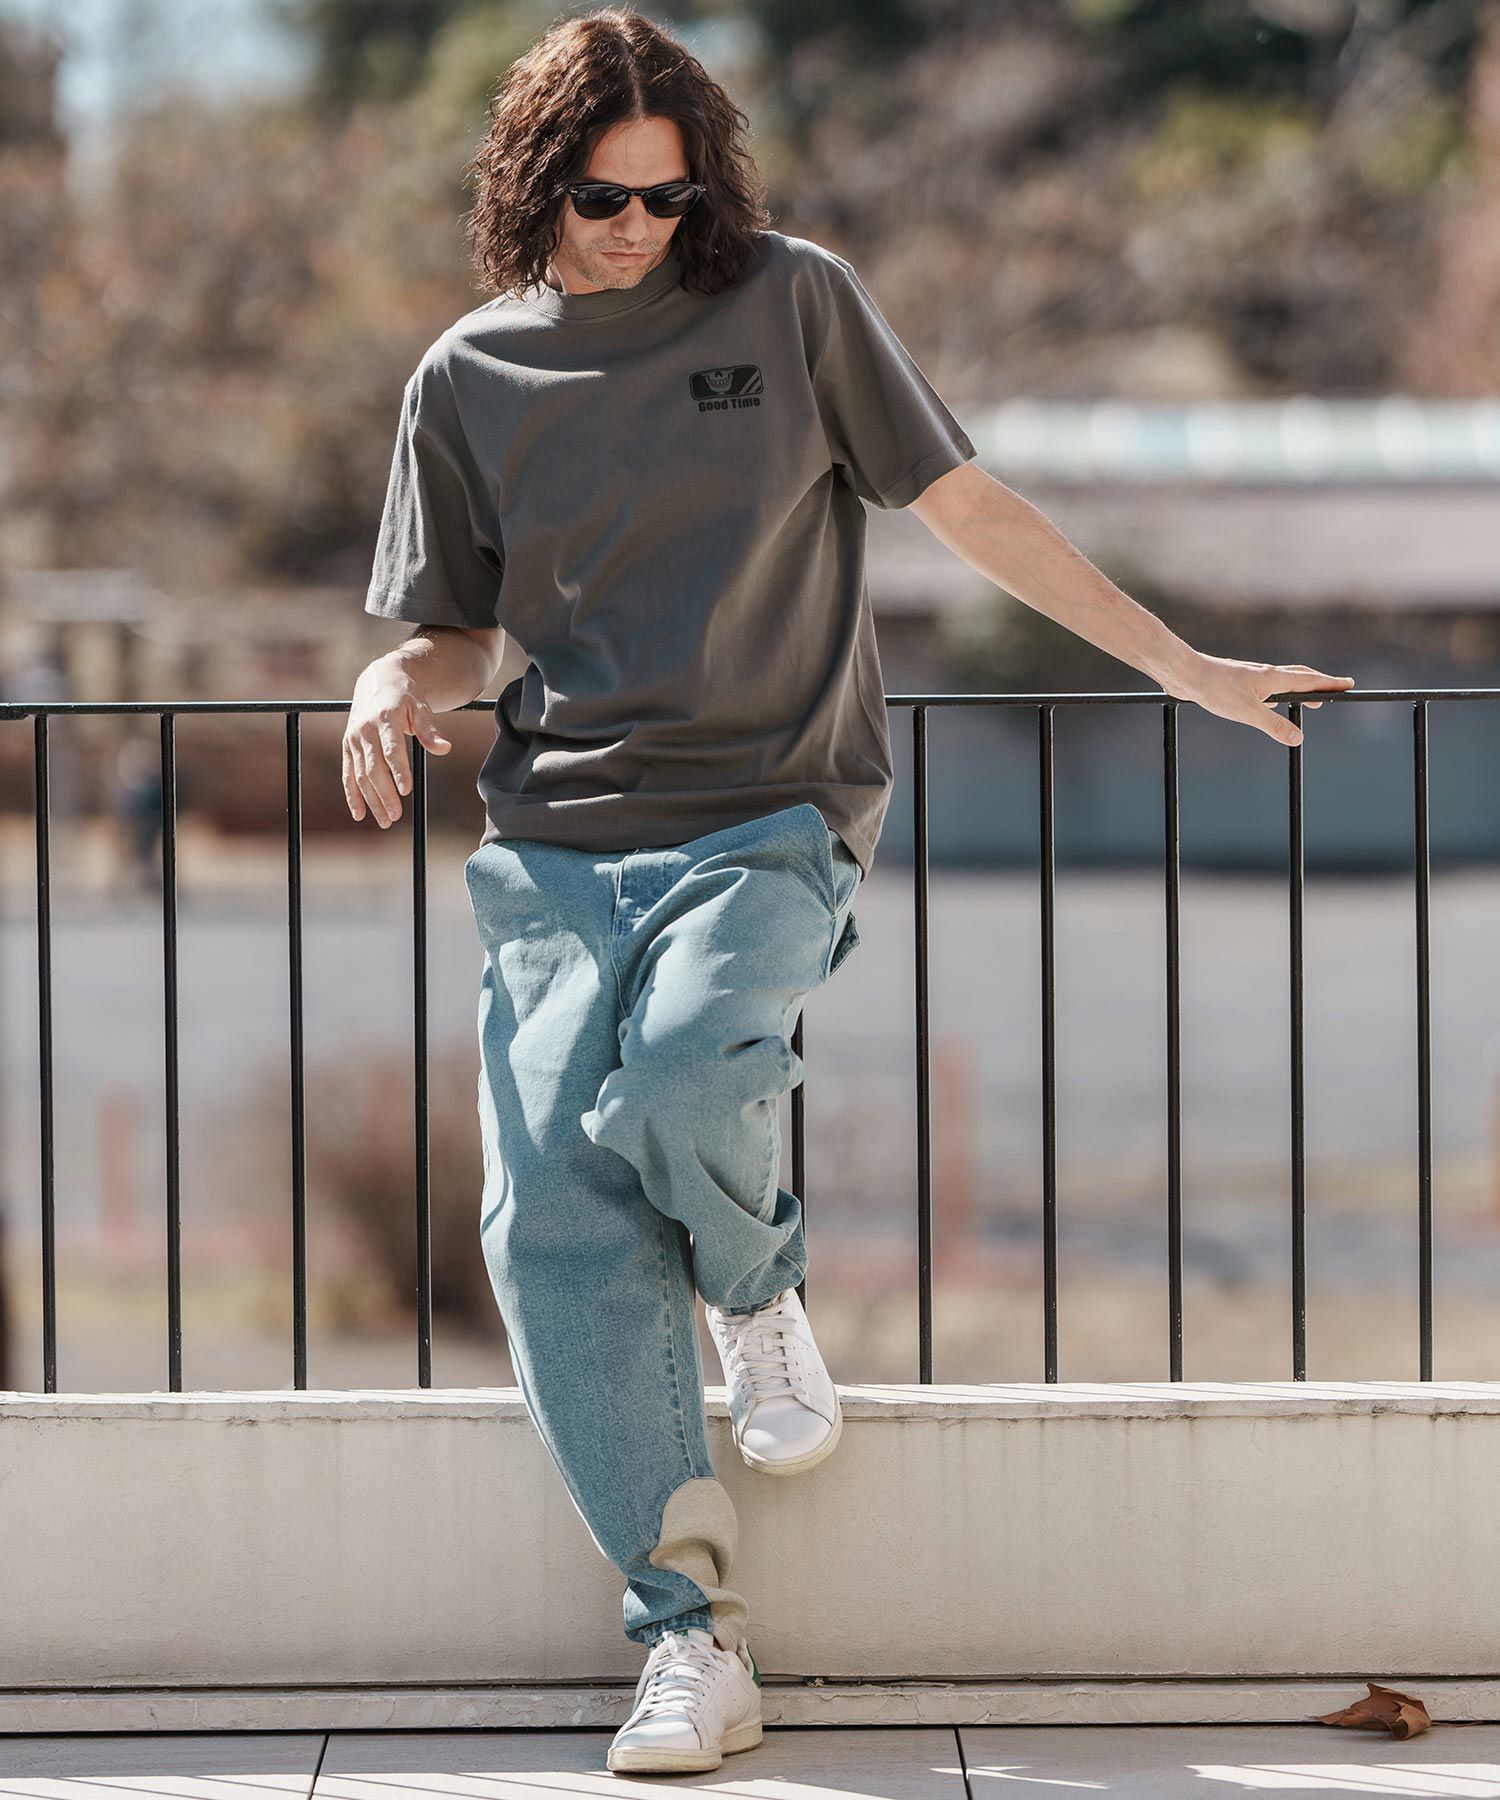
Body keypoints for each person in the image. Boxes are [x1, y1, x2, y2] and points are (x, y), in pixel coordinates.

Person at [342, 6, 1355, 1777]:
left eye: (670, 197)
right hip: (556, 840)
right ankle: (689, 1639)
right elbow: (456, 633)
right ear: (532, 184)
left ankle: (756, 1292)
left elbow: (968, 506)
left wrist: (1184, 668)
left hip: (769, 812)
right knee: (549, 1217)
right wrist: (382, 686)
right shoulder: (467, 377)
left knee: (690, 1072)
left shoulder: (791, 301)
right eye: (603, 198)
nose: (641, 230)